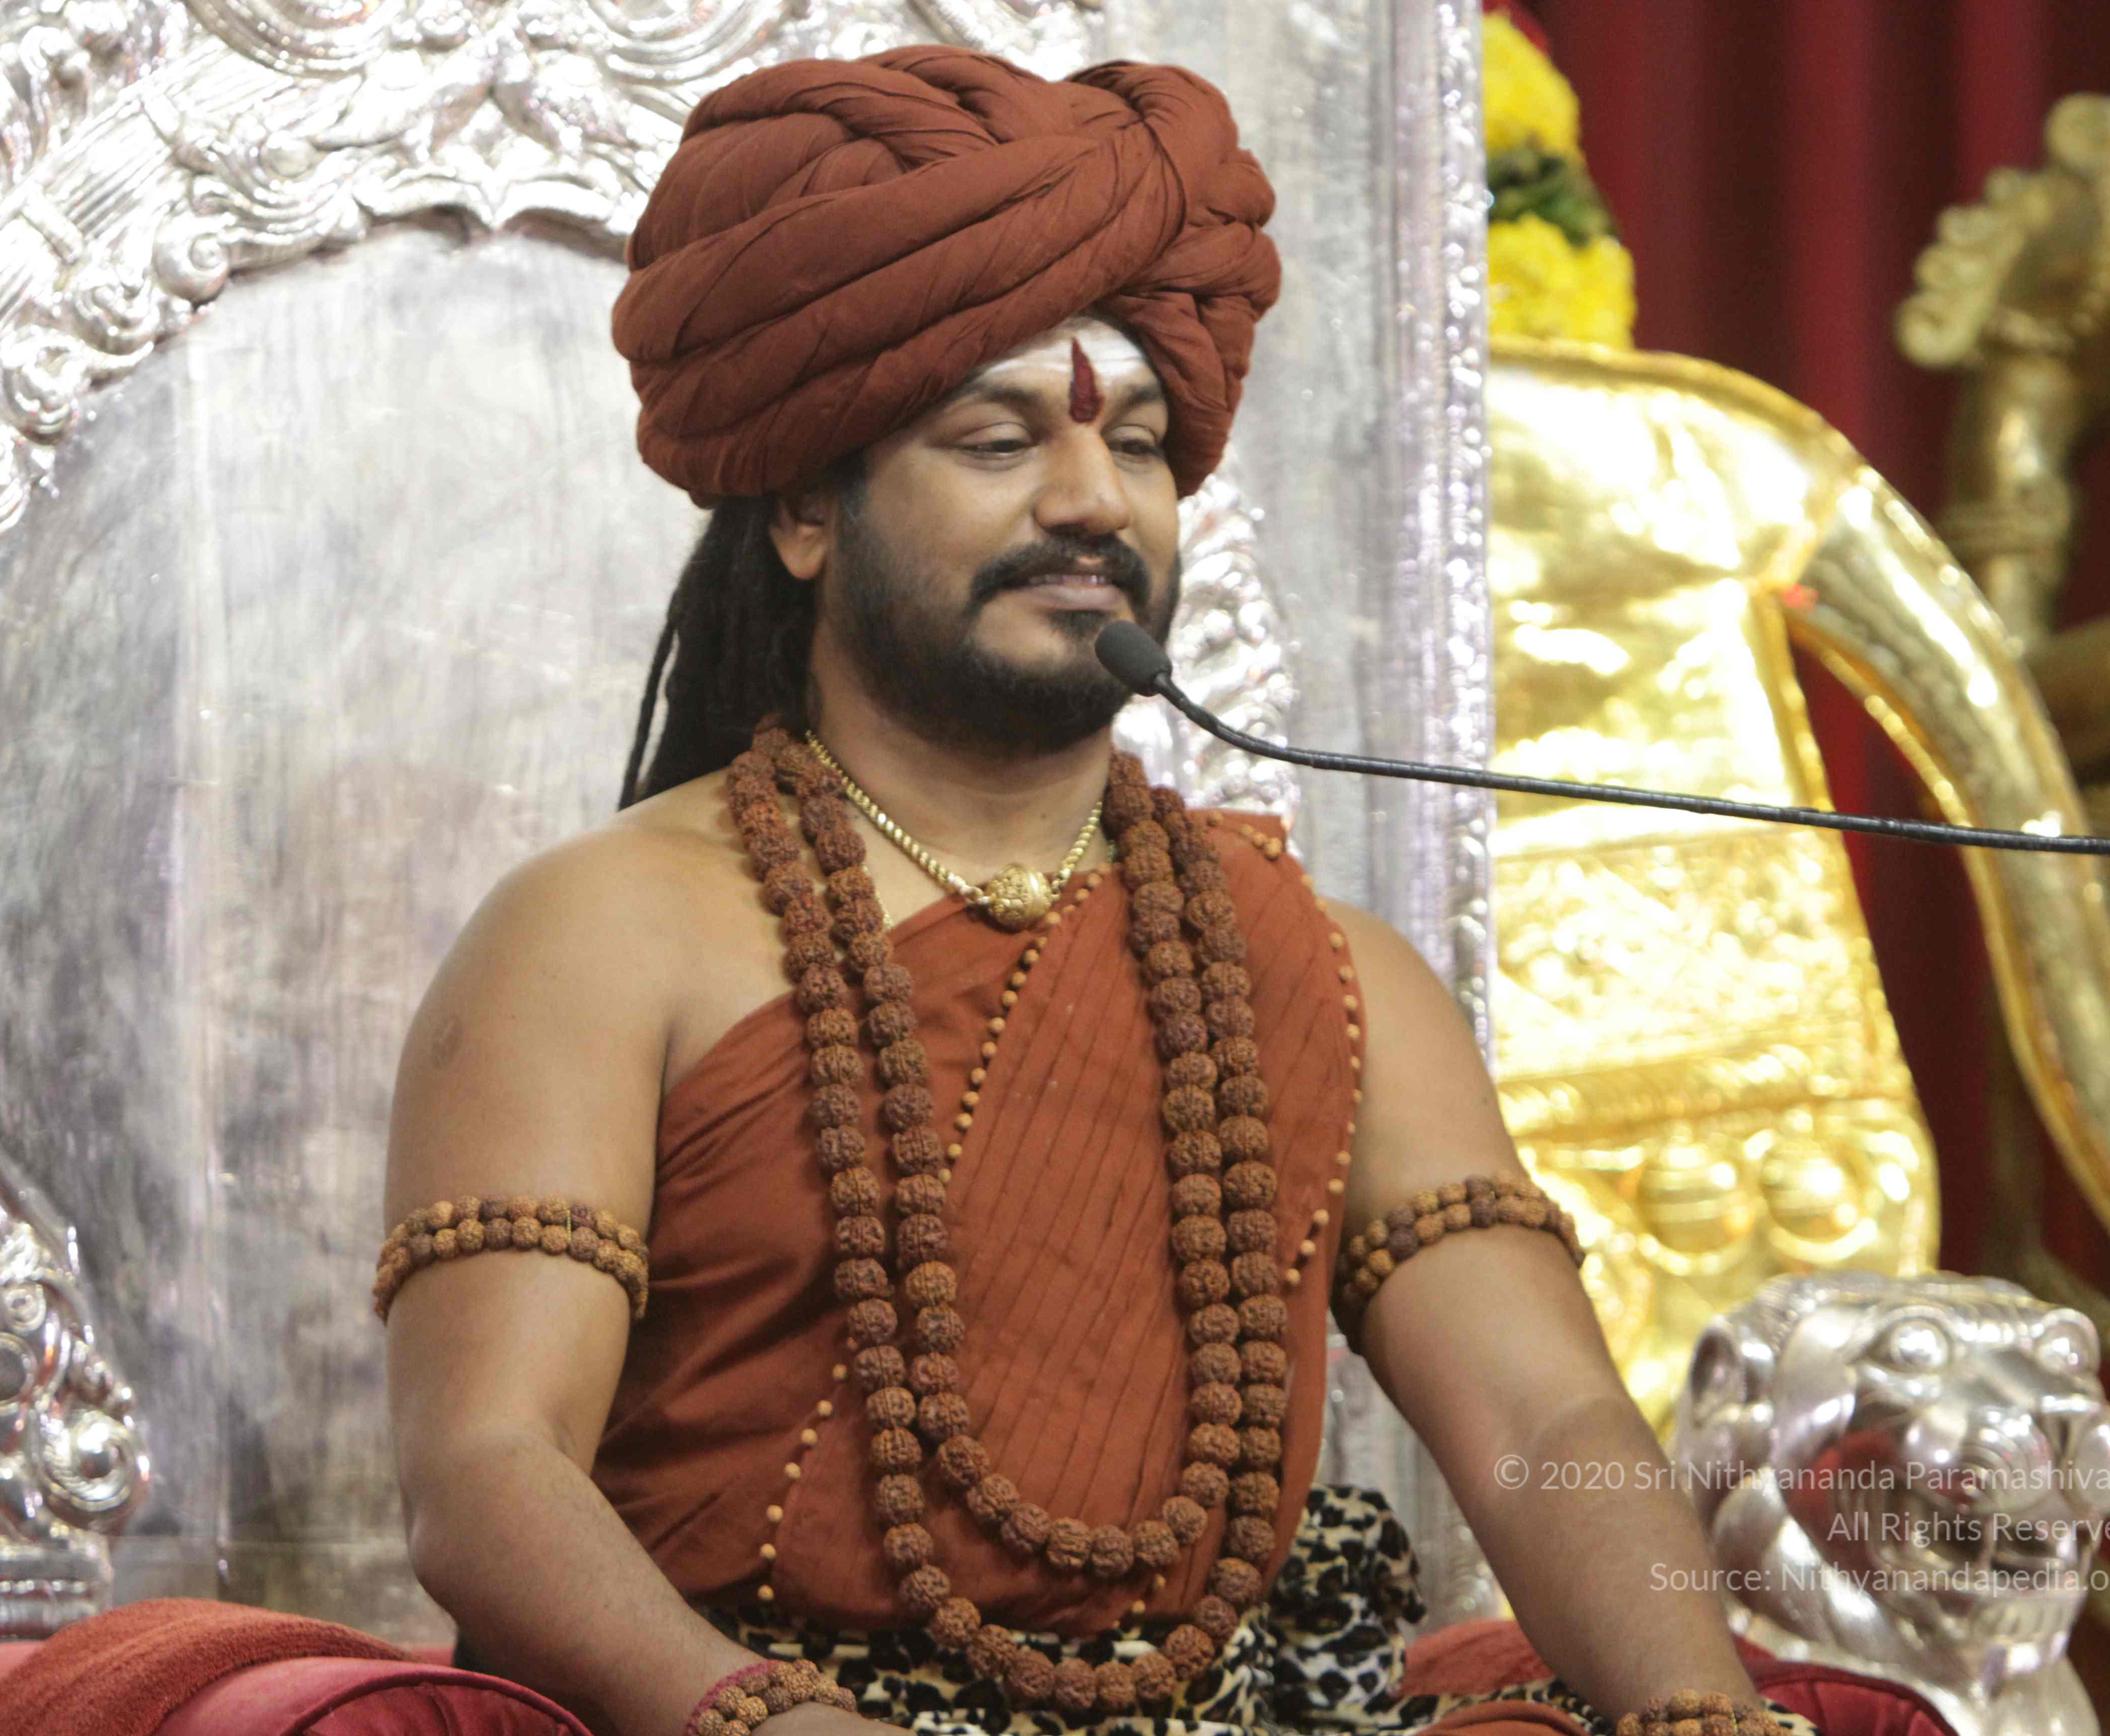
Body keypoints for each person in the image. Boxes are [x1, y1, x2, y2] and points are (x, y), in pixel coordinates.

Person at [378, 45, 1811, 1736]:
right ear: (809, 510)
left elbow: (1549, 1431)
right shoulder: (607, 934)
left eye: (1137, 444)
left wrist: (1703, 1714)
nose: (1089, 501)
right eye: (997, 440)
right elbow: (489, 1470)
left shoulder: (1317, 970)